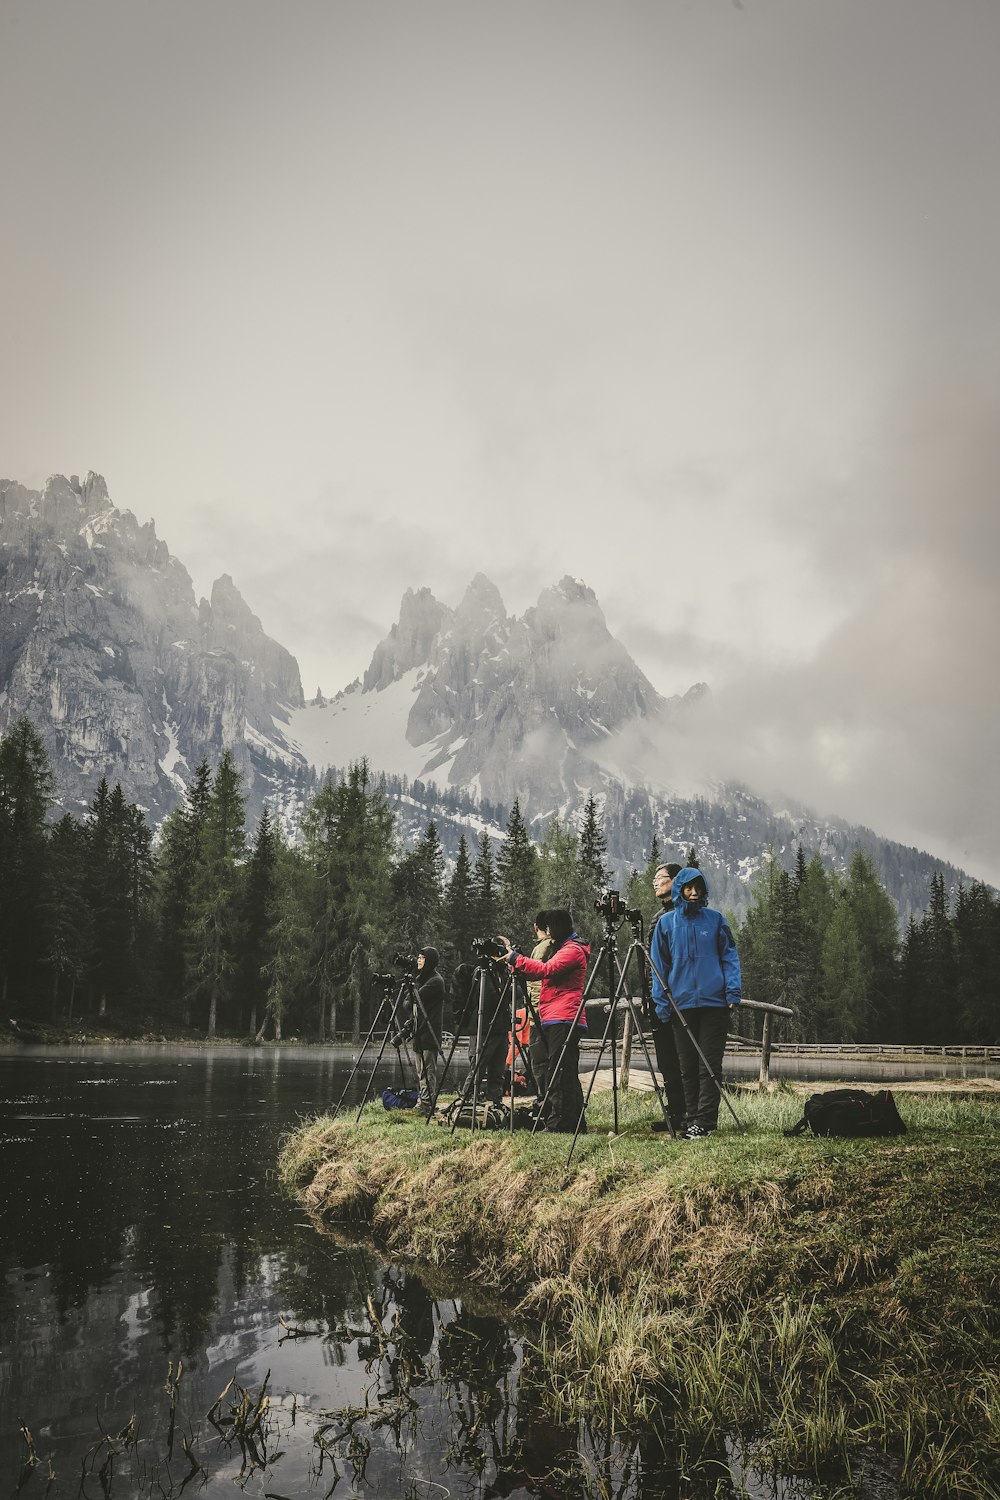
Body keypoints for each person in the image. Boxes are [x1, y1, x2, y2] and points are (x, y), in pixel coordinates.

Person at [649, 867, 741, 1138]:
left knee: (709, 1066)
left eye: (697, 888)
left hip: (714, 1004)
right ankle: (690, 1119)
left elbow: (729, 956)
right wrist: (661, 1003)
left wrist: (733, 992)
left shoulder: (715, 920)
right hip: (681, 1004)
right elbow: (659, 967)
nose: (693, 892)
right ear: (680, 890)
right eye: (688, 888)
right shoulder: (666, 924)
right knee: (686, 1066)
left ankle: (706, 1122)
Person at [499, 910, 590, 1133]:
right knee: (563, 1071)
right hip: (555, 1016)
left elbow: (546, 970)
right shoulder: (563, 948)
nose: (547, 932)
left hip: (564, 1016)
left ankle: (559, 1124)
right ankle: (574, 1122)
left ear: (557, 927)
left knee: (559, 1072)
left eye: (549, 927)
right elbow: (535, 973)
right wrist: (516, 963)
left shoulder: (572, 950)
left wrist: (515, 959)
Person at [648, 863, 687, 1136]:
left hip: (679, 997)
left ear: (676, 881)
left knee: (683, 1057)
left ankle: (689, 1113)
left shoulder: (683, 915)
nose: (655, 882)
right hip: (659, 996)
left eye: (660, 878)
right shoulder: (659, 915)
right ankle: (676, 1112)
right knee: (666, 1059)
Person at [411, 946, 446, 1117]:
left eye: (422, 958)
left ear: (430, 961)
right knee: (420, 1071)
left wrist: (410, 995)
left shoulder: (435, 981)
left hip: (430, 1031)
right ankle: (423, 1101)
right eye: (418, 957)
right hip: (419, 1030)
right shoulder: (421, 979)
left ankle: (428, 1104)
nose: (418, 960)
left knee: (428, 1070)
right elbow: (409, 1002)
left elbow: (414, 998)